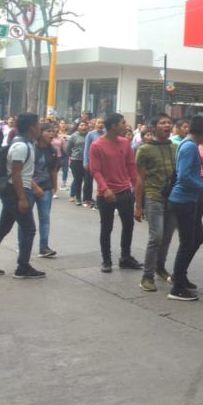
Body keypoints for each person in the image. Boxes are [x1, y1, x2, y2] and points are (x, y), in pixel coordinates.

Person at [167, 115, 203, 301]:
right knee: (187, 242)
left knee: (197, 238)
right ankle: (177, 287)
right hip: (183, 199)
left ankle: (180, 275)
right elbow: (184, 176)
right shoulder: (189, 147)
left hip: (189, 199)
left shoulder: (188, 144)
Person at [89, 113, 142, 273]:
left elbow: (131, 167)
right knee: (107, 228)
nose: (126, 125)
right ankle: (106, 260)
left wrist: (136, 188)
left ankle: (125, 257)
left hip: (125, 191)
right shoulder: (97, 145)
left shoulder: (125, 143)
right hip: (106, 195)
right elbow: (95, 170)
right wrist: (105, 189)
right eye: (123, 123)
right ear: (113, 126)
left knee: (129, 225)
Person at [0, 113, 44, 279]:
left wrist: (34, 187)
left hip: (18, 191)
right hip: (16, 192)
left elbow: (23, 173)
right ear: (31, 127)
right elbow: (16, 174)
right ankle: (22, 267)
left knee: (3, 227)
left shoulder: (26, 143)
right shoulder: (21, 146)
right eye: (38, 124)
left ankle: (23, 266)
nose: (40, 127)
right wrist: (22, 198)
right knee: (29, 229)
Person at [135, 114, 177, 292]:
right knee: (156, 237)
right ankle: (147, 276)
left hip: (173, 199)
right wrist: (138, 206)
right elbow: (140, 179)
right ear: (154, 128)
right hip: (153, 197)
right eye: (162, 123)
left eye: (169, 123)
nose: (167, 125)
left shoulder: (175, 148)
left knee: (167, 237)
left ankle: (160, 267)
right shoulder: (144, 150)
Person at [33, 122, 60, 258]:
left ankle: (44, 247)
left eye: (52, 131)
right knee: (25, 220)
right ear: (40, 132)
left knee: (45, 218)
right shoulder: (31, 148)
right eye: (48, 131)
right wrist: (34, 187)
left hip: (46, 188)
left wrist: (54, 186)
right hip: (29, 188)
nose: (51, 134)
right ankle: (23, 246)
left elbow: (53, 169)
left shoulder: (52, 150)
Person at [82, 117, 105, 208]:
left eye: (102, 123)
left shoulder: (106, 134)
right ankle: (86, 199)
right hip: (91, 161)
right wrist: (85, 161)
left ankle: (100, 199)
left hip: (103, 162)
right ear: (95, 124)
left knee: (101, 181)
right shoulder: (90, 134)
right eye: (99, 123)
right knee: (88, 181)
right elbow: (86, 148)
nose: (100, 124)